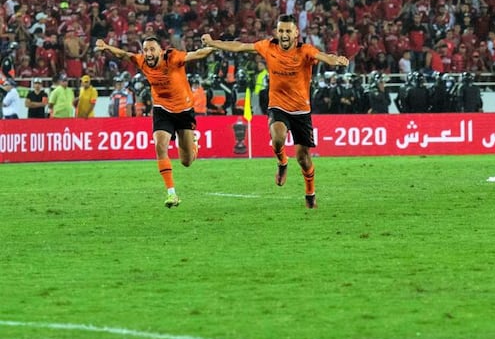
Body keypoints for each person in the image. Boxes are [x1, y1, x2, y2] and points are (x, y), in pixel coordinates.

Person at [203, 15, 350, 208]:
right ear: (277, 32)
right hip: (278, 106)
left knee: (303, 159)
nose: (284, 35)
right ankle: (282, 162)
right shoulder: (268, 46)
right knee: (278, 137)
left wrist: (336, 60)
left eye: (288, 31)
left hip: (301, 111)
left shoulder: (305, 50)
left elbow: (323, 56)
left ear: (296, 33)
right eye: (281, 31)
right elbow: (240, 46)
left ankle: (310, 193)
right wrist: (214, 43)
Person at [95, 36, 217, 207]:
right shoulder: (142, 62)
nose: (148, 53)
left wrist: (215, 46)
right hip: (162, 110)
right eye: (145, 50)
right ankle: (171, 194)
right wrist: (106, 46)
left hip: (184, 110)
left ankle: (193, 146)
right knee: (160, 145)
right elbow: (123, 54)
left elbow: (197, 54)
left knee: (186, 161)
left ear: (160, 51)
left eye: (152, 49)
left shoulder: (173, 58)